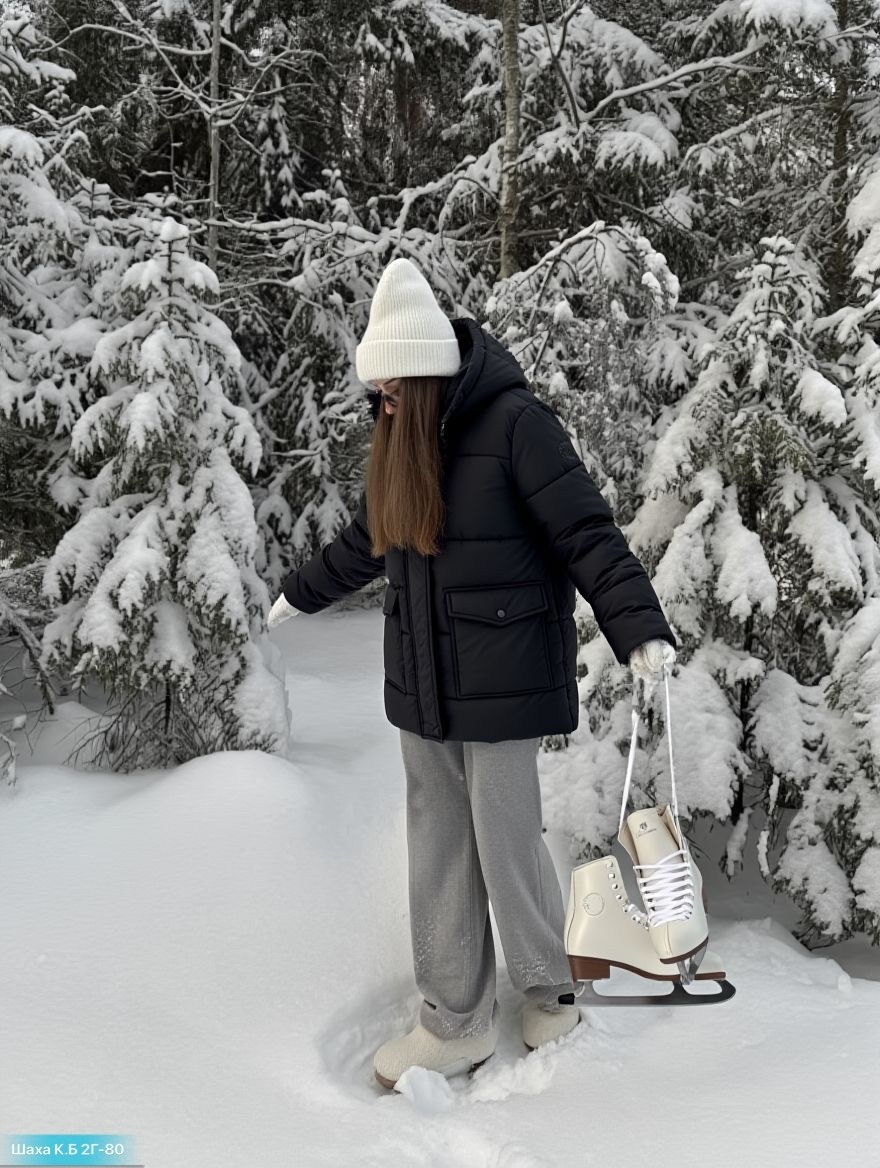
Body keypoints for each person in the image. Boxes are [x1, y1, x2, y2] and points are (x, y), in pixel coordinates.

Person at [268, 257, 677, 1090]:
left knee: (503, 835)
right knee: (438, 847)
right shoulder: (400, 440)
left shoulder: (517, 424)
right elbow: (367, 542)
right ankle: (452, 1020)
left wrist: (636, 627)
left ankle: (547, 986)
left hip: (504, 674)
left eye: (386, 390)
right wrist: (298, 596)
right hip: (419, 683)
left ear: (419, 380)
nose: (375, 404)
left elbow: (586, 532)